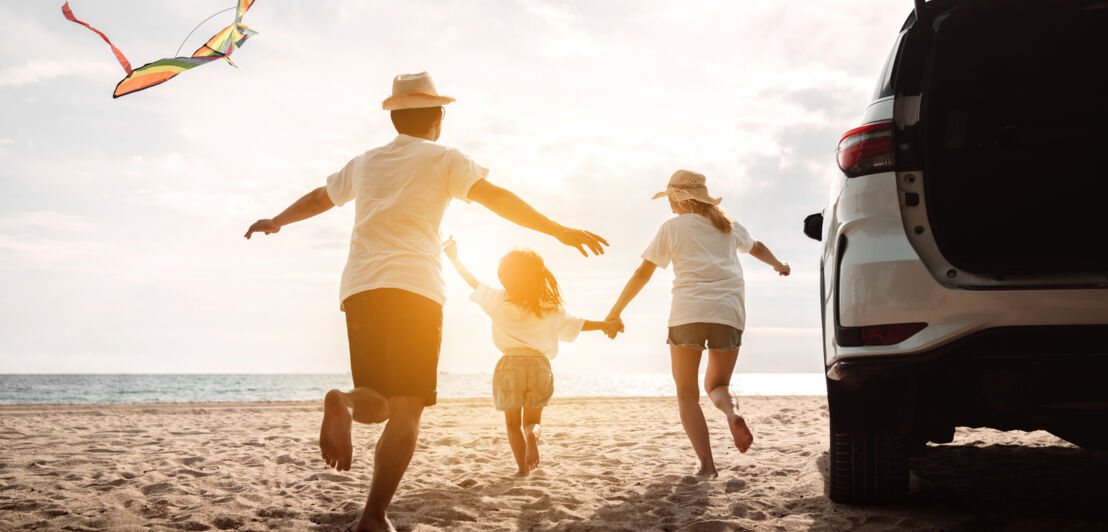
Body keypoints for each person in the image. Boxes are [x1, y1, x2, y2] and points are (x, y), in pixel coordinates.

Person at [243, 72, 608, 532]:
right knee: (408, 406)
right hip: (415, 289)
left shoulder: (366, 162)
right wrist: (557, 230)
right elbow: (497, 199)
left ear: (394, 117)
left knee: (377, 400)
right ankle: (373, 515)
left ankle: (346, 404)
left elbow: (321, 198)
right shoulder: (446, 159)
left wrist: (277, 221)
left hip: (360, 287)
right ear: (438, 117)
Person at [604, 170, 790, 479]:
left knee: (687, 395)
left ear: (679, 199)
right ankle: (733, 412)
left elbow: (643, 273)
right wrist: (778, 264)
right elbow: (756, 247)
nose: (669, 207)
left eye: (670, 200)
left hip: (687, 314)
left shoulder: (672, 228)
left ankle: (707, 465)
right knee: (718, 386)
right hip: (728, 314)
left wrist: (615, 311)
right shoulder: (729, 226)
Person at [442, 237, 621, 477]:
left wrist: (454, 258)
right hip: (539, 366)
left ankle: (523, 470)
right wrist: (605, 324)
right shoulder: (549, 307)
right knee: (531, 422)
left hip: (509, 366)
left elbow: (473, 282)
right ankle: (532, 435)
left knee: (512, 424)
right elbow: (578, 324)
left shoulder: (497, 299)